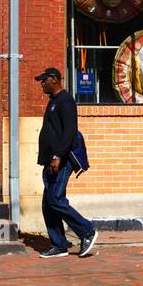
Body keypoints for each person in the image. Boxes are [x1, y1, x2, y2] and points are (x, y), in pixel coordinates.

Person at [34, 67, 97, 258]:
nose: (42, 84)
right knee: (48, 204)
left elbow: (70, 131)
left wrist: (57, 156)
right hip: (51, 161)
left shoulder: (65, 101)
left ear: (54, 79)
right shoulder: (53, 102)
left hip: (60, 160)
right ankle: (59, 245)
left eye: (44, 80)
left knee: (56, 199)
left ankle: (87, 231)